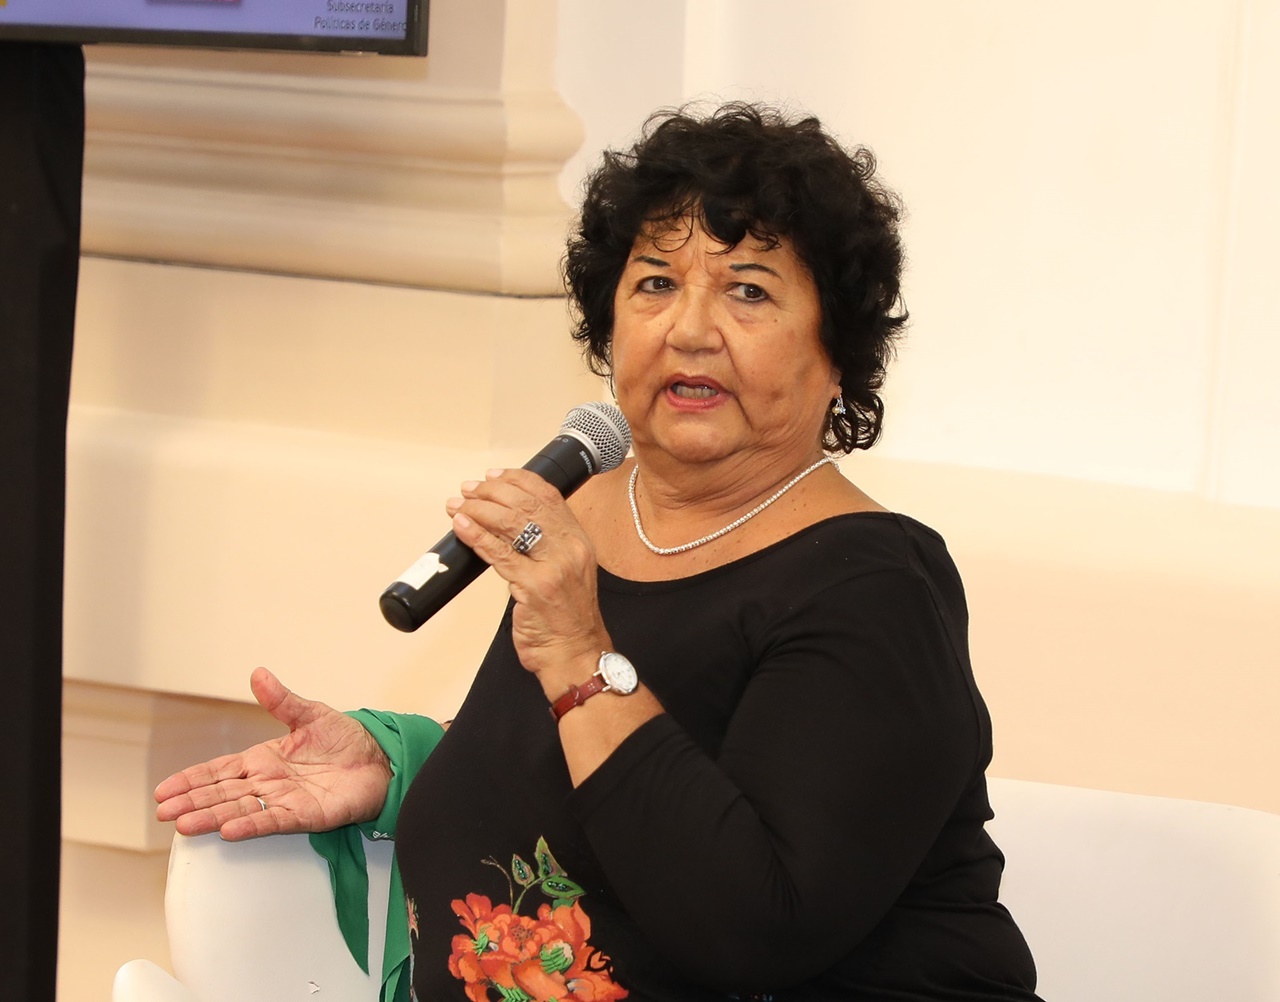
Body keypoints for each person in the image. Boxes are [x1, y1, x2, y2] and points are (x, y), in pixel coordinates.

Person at [156, 103, 1042, 1001]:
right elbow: (591, 782)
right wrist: (399, 764)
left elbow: (755, 929)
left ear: (836, 347)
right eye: (656, 283)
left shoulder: (874, 587)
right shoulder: (586, 515)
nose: (689, 329)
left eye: (748, 290)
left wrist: (581, 653)